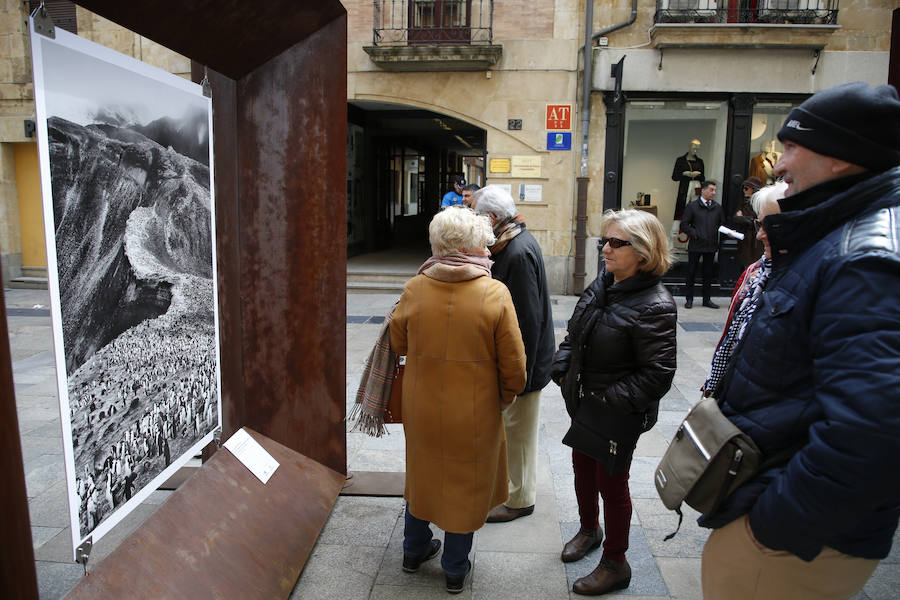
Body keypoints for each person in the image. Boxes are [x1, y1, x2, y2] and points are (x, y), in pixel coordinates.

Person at [700, 82, 900, 600]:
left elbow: (873, 430)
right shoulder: (843, 237)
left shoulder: (865, 257)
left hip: (791, 542)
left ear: (839, 157)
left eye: (791, 146)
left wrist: (772, 523)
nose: (778, 163)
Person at [390, 206, 527, 594]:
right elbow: (514, 365)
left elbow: (397, 340)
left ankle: (413, 551)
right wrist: (506, 396)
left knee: (422, 476)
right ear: (476, 245)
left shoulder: (415, 287)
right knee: (466, 483)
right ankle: (453, 567)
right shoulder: (494, 292)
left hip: (422, 406)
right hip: (474, 409)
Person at [551, 209, 676, 596]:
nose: (605, 249)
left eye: (616, 243)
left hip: (615, 410)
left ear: (642, 251)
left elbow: (657, 374)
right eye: (604, 241)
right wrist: (562, 365)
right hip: (585, 401)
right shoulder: (604, 282)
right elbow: (576, 330)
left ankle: (615, 562)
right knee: (581, 469)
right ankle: (589, 529)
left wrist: (608, 400)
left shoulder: (656, 303)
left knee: (613, 484)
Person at [470, 185, 556, 523]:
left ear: (490, 218)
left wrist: (520, 377)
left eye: (475, 215)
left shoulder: (516, 251)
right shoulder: (513, 240)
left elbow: (527, 322)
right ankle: (510, 489)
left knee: (519, 435)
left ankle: (521, 500)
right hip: (523, 363)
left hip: (526, 366)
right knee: (513, 433)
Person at [703, 181, 786, 400]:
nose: (761, 235)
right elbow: (731, 335)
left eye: (772, 226)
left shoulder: (806, 276)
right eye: (760, 225)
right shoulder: (754, 272)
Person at [679, 180, 725, 309]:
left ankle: (707, 299)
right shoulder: (692, 206)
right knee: (691, 272)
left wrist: (728, 232)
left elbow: (722, 224)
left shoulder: (717, 207)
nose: (714, 193)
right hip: (696, 244)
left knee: (708, 273)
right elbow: (684, 224)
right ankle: (689, 299)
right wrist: (695, 233)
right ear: (703, 190)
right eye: (711, 190)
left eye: (715, 190)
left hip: (710, 245)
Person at [732, 176, 765, 268]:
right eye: (743, 188)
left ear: (753, 189)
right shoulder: (743, 202)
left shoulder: (759, 203)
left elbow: (758, 220)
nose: (744, 190)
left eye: (746, 188)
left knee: (752, 266)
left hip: (754, 242)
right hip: (744, 239)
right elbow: (735, 218)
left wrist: (742, 218)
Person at [671, 138, 705, 219]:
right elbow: (674, 177)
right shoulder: (681, 160)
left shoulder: (700, 161)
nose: (695, 151)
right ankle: (680, 225)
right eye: (694, 148)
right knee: (682, 205)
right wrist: (684, 174)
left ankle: (695, 221)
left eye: (697, 149)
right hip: (685, 186)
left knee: (696, 205)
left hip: (696, 186)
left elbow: (703, 178)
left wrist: (697, 175)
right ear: (689, 147)